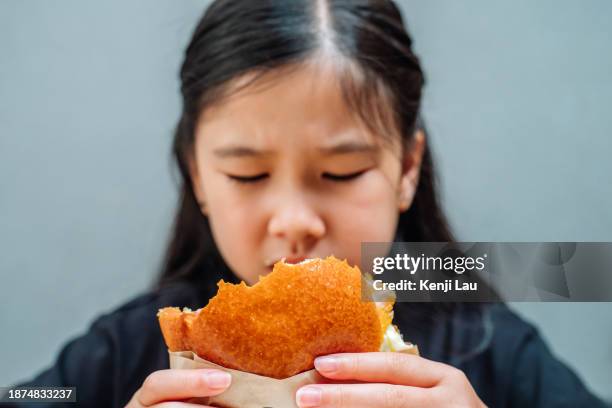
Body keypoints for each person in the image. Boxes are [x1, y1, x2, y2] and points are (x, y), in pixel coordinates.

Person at [4, 1, 606, 407]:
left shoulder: (484, 338)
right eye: (247, 173)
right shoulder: (134, 345)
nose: (294, 221)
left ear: (408, 169)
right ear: (196, 174)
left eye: (342, 173)